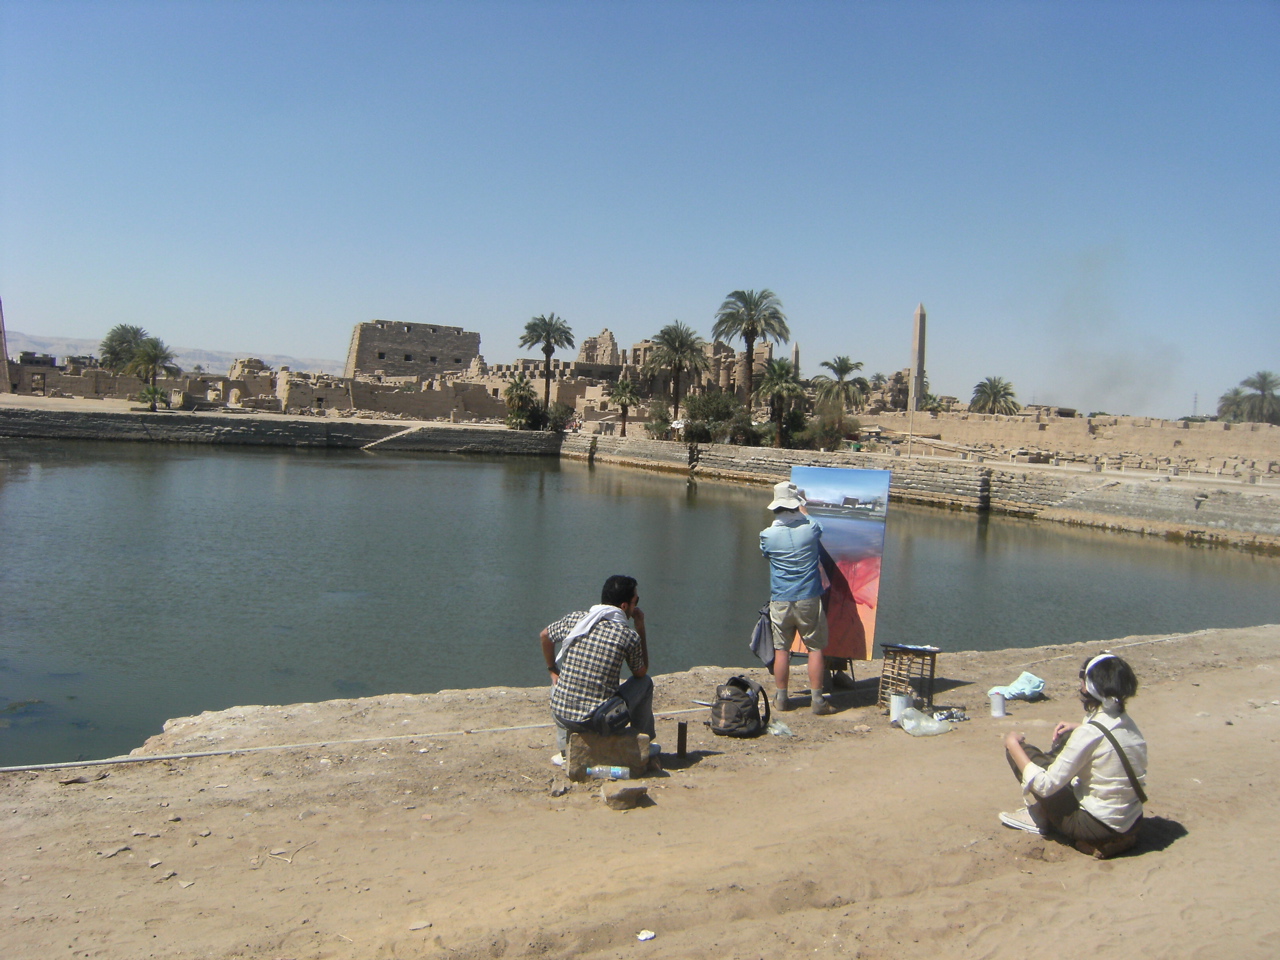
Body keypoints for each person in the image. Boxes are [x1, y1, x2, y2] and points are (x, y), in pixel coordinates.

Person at [1001, 652, 1148, 858]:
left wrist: (1012, 745)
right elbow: (1104, 738)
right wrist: (1076, 728)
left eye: (1083, 680)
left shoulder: (1089, 733)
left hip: (1095, 825)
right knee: (1068, 737)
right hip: (1131, 820)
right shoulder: (1125, 722)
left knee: (1024, 754)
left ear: (1090, 687)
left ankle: (1044, 817)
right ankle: (1119, 838)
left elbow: (1045, 785)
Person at [540, 574, 655, 760]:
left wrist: (552, 669)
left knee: (560, 685)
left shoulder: (575, 619)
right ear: (624, 606)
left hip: (562, 716)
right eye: (636, 601)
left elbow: (545, 636)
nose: (636, 607)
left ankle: (565, 751)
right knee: (645, 683)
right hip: (598, 721)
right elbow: (641, 672)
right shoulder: (627, 635)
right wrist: (640, 628)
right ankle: (643, 742)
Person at [759, 480, 834, 715]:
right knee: (815, 648)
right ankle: (817, 701)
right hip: (808, 597)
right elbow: (817, 526)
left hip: (781, 598)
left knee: (781, 649)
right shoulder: (810, 529)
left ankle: (782, 699)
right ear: (796, 505)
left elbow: (767, 555)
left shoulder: (767, 535)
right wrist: (804, 509)